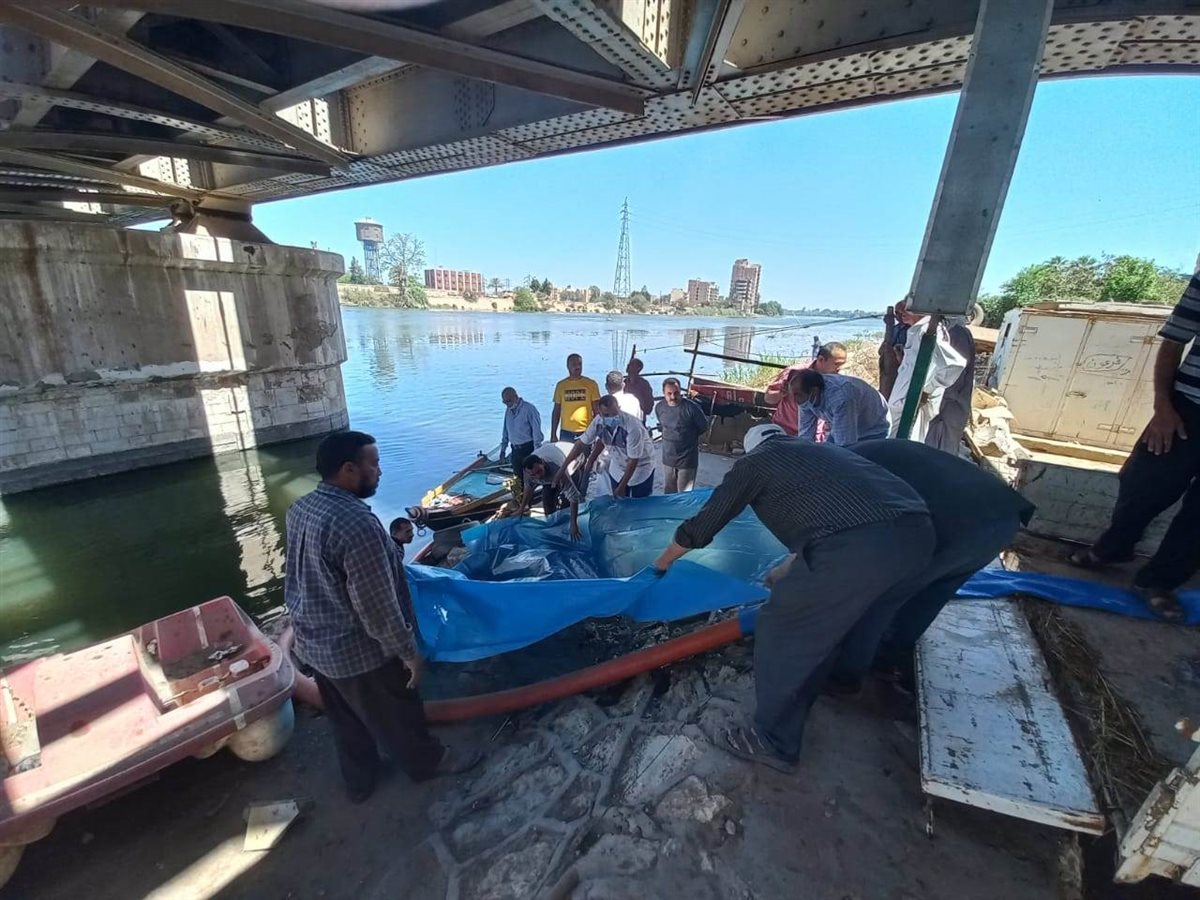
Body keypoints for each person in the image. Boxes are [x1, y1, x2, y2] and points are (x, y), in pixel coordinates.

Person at [651, 424, 934, 773]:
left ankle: (774, 741)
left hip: (861, 547)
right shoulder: (817, 452)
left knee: (783, 625)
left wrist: (662, 562)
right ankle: (843, 681)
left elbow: (707, 521)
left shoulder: (756, 461)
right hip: (919, 536)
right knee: (858, 618)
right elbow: (831, 516)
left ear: (751, 448)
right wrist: (785, 571)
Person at [284, 431, 479, 802]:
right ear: (348, 469)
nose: (380, 471)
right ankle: (427, 763)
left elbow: (298, 575)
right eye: (373, 464)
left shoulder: (302, 508)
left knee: (346, 721)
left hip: (317, 644)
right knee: (399, 711)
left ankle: (360, 782)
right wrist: (408, 652)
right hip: (358, 650)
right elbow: (376, 606)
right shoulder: (356, 524)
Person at [829, 438, 1035, 694]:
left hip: (956, 526)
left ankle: (846, 675)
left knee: (881, 595)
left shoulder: (844, 474)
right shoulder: (865, 452)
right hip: (1004, 518)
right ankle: (889, 658)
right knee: (932, 594)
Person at [1066, 271, 1200, 621]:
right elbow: (1173, 342)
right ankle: (1113, 547)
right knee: (1142, 484)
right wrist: (1163, 407)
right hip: (1188, 408)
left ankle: (1158, 581)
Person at [887, 306, 967, 443]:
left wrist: (926, 391)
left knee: (907, 444)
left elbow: (954, 364)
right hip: (903, 405)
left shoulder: (927, 330)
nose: (902, 313)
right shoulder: (917, 330)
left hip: (912, 405)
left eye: (907, 308)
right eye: (899, 311)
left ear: (922, 307)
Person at [560, 394, 656, 498]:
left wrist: (622, 486)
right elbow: (581, 444)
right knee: (618, 501)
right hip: (618, 467)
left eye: (614, 414)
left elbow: (633, 460)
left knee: (640, 502)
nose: (611, 417)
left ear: (619, 408)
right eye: (606, 415)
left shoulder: (633, 426)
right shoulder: (598, 422)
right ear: (600, 413)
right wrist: (562, 469)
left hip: (640, 467)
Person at [764, 343, 847, 437]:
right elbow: (768, 399)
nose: (840, 368)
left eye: (842, 364)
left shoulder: (837, 381)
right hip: (784, 431)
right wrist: (781, 393)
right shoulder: (794, 372)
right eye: (836, 364)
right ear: (821, 359)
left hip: (816, 435)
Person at [792, 369, 889, 446]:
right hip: (847, 424)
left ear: (814, 392)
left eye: (797, 395)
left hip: (873, 428)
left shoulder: (841, 398)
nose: (794, 399)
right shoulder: (805, 396)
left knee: (853, 458)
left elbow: (845, 445)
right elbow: (806, 436)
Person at [923, 320, 976, 454]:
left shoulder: (956, 333)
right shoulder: (944, 330)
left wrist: (930, 394)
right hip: (940, 403)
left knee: (940, 451)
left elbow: (955, 374)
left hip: (949, 406)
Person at [520, 441, 589, 540]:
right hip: (551, 461)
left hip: (573, 461)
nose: (537, 477)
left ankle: (569, 531)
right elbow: (528, 488)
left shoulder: (556, 469)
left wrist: (574, 524)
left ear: (543, 463)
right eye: (533, 475)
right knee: (547, 501)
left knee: (566, 505)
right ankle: (553, 530)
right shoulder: (528, 472)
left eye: (539, 472)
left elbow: (573, 498)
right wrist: (521, 509)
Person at [656, 377, 710, 493]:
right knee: (669, 492)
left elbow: (703, 427)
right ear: (663, 393)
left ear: (680, 391)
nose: (673, 397)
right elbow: (662, 424)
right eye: (669, 393)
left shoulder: (692, 408)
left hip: (687, 459)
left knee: (684, 494)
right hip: (668, 459)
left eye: (676, 393)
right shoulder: (659, 407)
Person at [550, 353, 601, 442]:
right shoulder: (561, 385)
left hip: (586, 430)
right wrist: (553, 434)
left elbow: (597, 410)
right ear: (568, 366)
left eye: (579, 364)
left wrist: (598, 432)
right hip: (566, 432)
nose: (577, 367)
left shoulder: (591, 384)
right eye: (574, 364)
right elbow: (556, 411)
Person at [499, 386, 543, 480]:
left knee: (532, 478)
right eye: (505, 402)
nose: (507, 404)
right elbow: (505, 432)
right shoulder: (508, 411)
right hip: (515, 450)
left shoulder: (529, 409)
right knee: (518, 479)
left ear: (516, 396)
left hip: (528, 449)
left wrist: (536, 452)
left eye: (509, 401)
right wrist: (503, 450)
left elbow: (537, 432)